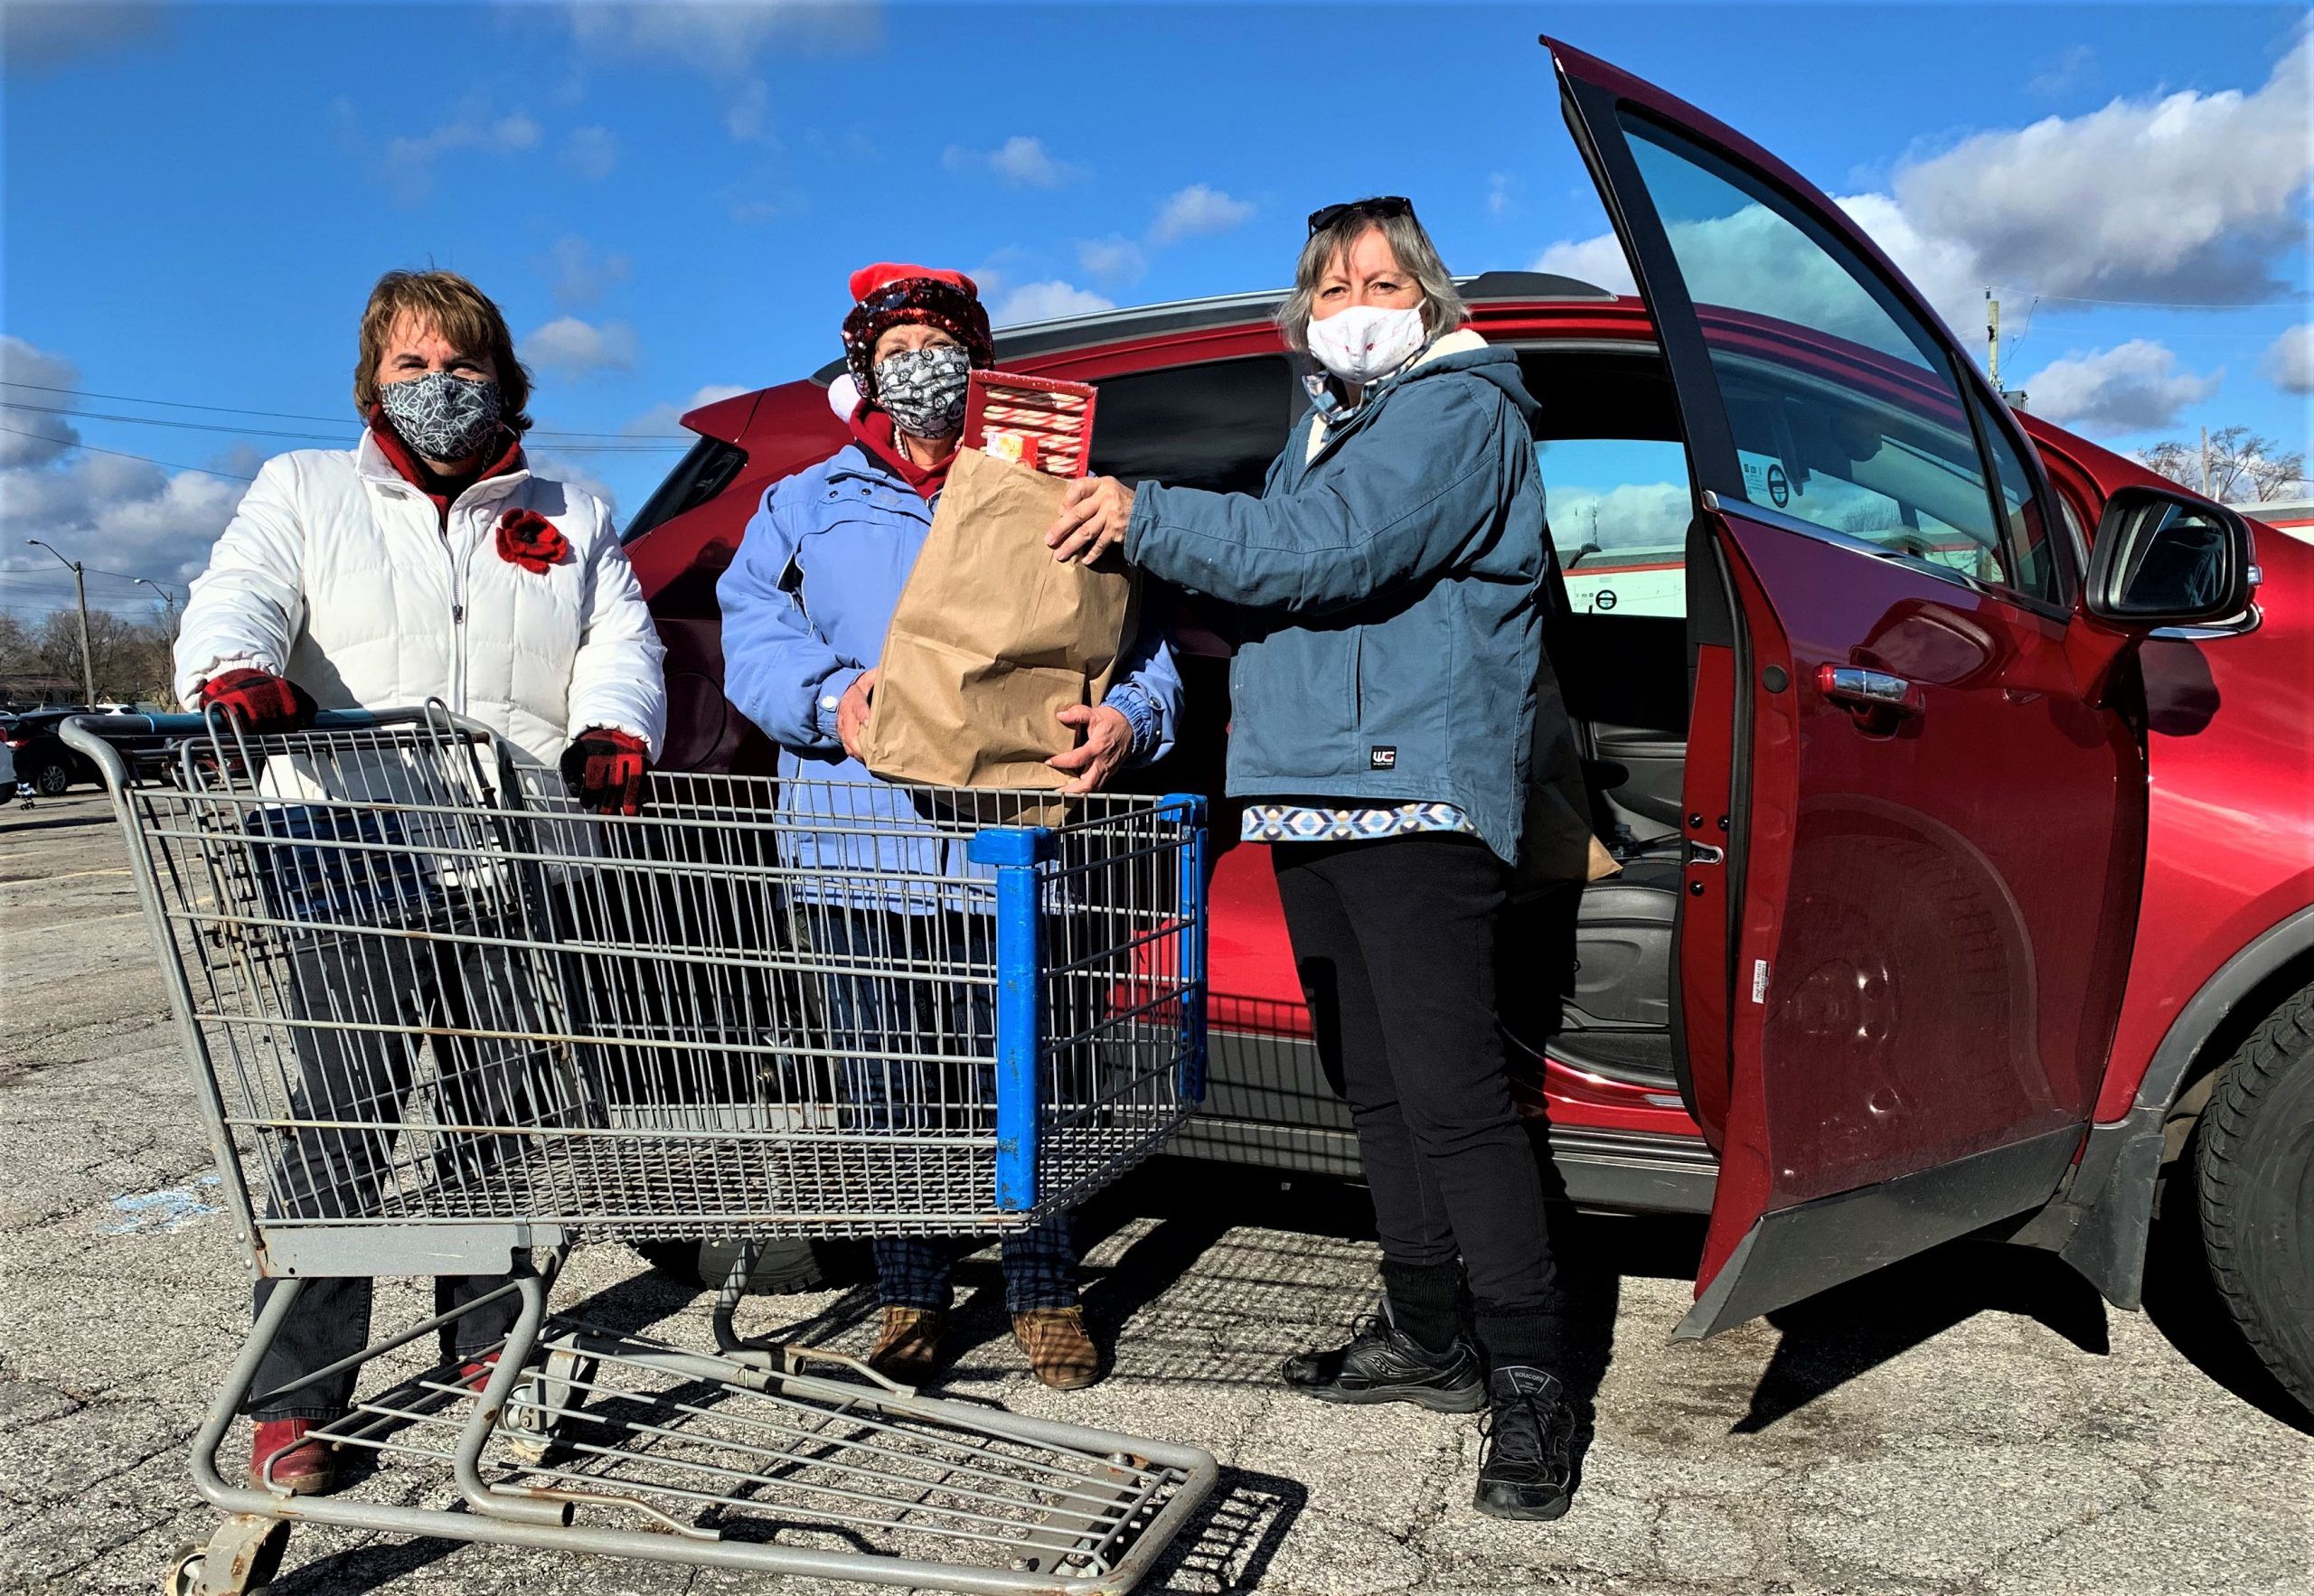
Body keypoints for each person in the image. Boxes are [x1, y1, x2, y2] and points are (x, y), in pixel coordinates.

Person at [1044, 199, 1580, 1520]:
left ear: (1432, 297)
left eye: (1383, 278)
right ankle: (1428, 1329)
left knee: (1453, 1094)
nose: (1357, 298)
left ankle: (1532, 1375)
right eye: (1334, 282)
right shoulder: (1330, 426)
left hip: (1410, 798)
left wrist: (1144, 512)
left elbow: (1329, 554)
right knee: (1378, 1084)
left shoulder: (1457, 414)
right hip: (1315, 797)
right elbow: (1290, 574)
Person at [174, 268, 668, 1495]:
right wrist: (238, 668)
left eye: (462, 365)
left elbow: (622, 636)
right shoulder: (305, 490)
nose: (439, 387)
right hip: (350, 841)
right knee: (344, 1118)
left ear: (502, 378)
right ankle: (294, 1399)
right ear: (371, 381)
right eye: (412, 366)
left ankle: (489, 1347)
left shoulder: (572, 507)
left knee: (504, 1119)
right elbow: (237, 593)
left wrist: (612, 728)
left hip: (515, 839)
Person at [718, 263, 1182, 1391]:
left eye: (941, 338)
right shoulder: (805, 503)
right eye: (897, 342)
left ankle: (1043, 1288)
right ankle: (909, 1292)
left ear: (978, 360)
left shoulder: (1058, 495)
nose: (919, 359)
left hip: (1019, 854)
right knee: (887, 1088)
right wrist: (834, 701)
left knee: (1037, 1078)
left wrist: (1127, 720)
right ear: (863, 364)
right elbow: (751, 638)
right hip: (856, 855)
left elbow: (1150, 647)